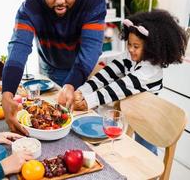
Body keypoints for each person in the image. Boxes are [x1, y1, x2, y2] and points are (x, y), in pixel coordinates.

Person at [73, 10, 187, 154]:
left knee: (146, 152)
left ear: (151, 47)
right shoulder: (133, 57)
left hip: (149, 120)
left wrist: (88, 101)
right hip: (135, 113)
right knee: (134, 147)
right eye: (129, 44)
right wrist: (82, 90)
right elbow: (108, 73)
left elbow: (119, 87)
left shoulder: (150, 71)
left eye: (136, 46)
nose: (131, 50)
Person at [2, 0, 106, 135]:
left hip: (81, 68)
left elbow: (90, 49)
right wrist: (7, 93)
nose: (59, 1)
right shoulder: (30, 7)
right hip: (50, 66)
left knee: (81, 125)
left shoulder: (93, 1)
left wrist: (71, 84)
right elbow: (19, 47)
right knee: (47, 117)